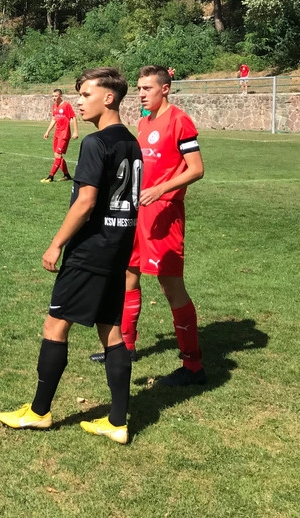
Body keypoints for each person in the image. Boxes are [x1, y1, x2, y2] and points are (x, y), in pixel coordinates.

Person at [0, 67, 141, 444]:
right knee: (111, 331)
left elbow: (86, 202)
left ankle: (38, 412)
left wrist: (56, 243)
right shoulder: (131, 142)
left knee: (55, 326)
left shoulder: (95, 143)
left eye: (86, 94)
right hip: (118, 247)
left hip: (90, 250)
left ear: (108, 98)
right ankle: (117, 421)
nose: (79, 102)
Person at [91, 65, 206, 386]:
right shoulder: (144, 122)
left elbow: (196, 169)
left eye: (147, 88)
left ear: (165, 89)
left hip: (165, 215)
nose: (141, 94)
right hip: (138, 213)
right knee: (129, 276)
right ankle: (125, 347)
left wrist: (161, 189)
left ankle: (193, 366)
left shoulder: (179, 121)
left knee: (171, 288)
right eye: (139, 88)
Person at [42, 89, 79, 182]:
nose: (54, 98)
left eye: (56, 96)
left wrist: (75, 131)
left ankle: (50, 176)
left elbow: (73, 117)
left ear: (60, 96)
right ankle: (67, 175)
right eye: (53, 96)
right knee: (57, 155)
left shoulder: (66, 105)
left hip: (64, 133)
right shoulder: (55, 106)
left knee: (58, 155)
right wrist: (47, 131)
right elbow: (54, 119)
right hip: (57, 133)